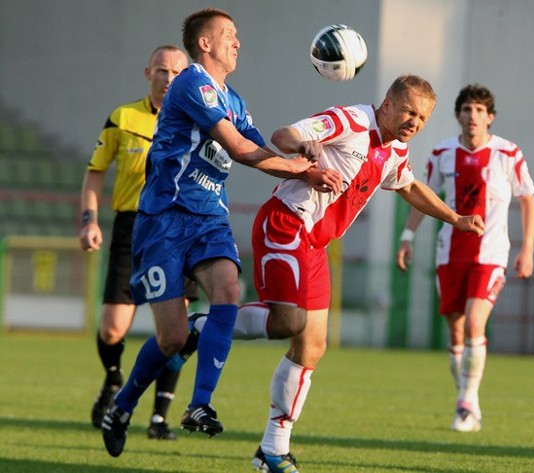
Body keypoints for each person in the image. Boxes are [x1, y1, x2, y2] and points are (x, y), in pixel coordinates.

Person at [100, 8, 341, 458]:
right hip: (164, 220)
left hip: (209, 218)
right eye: (229, 34)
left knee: (229, 289)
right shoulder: (191, 83)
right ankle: (123, 404)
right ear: (205, 44)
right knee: (171, 338)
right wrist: (298, 169)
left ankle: (199, 404)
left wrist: (302, 154)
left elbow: (259, 142)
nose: (238, 42)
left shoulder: (234, 99)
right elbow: (238, 148)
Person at [227, 75, 485, 473]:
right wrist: (303, 146)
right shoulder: (351, 120)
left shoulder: (395, 151)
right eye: (409, 111)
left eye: (423, 117)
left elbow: (410, 186)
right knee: (287, 323)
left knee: (311, 347)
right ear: (386, 104)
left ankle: (272, 450)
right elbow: (284, 134)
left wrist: (454, 218)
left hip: (315, 245)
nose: (414, 122)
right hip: (287, 224)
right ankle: (208, 326)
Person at [396, 84, 534, 433]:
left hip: (491, 253)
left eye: (479, 110)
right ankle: (466, 401)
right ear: (458, 115)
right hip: (450, 252)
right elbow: (422, 196)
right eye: (466, 109)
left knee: (475, 323)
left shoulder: (508, 153)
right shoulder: (442, 153)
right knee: (456, 331)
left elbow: (528, 199)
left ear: (489, 117)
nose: (472, 116)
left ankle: (467, 402)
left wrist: (528, 248)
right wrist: (407, 237)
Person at [79, 44, 196, 440]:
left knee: (175, 329)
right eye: (161, 71)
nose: (168, 79)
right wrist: (89, 220)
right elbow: (95, 174)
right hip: (131, 228)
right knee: (113, 329)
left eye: (177, 73)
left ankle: (160, 417)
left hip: (176, 228)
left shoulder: (198, 121)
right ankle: (113, 380)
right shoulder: (123, 117)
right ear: (148, 73)